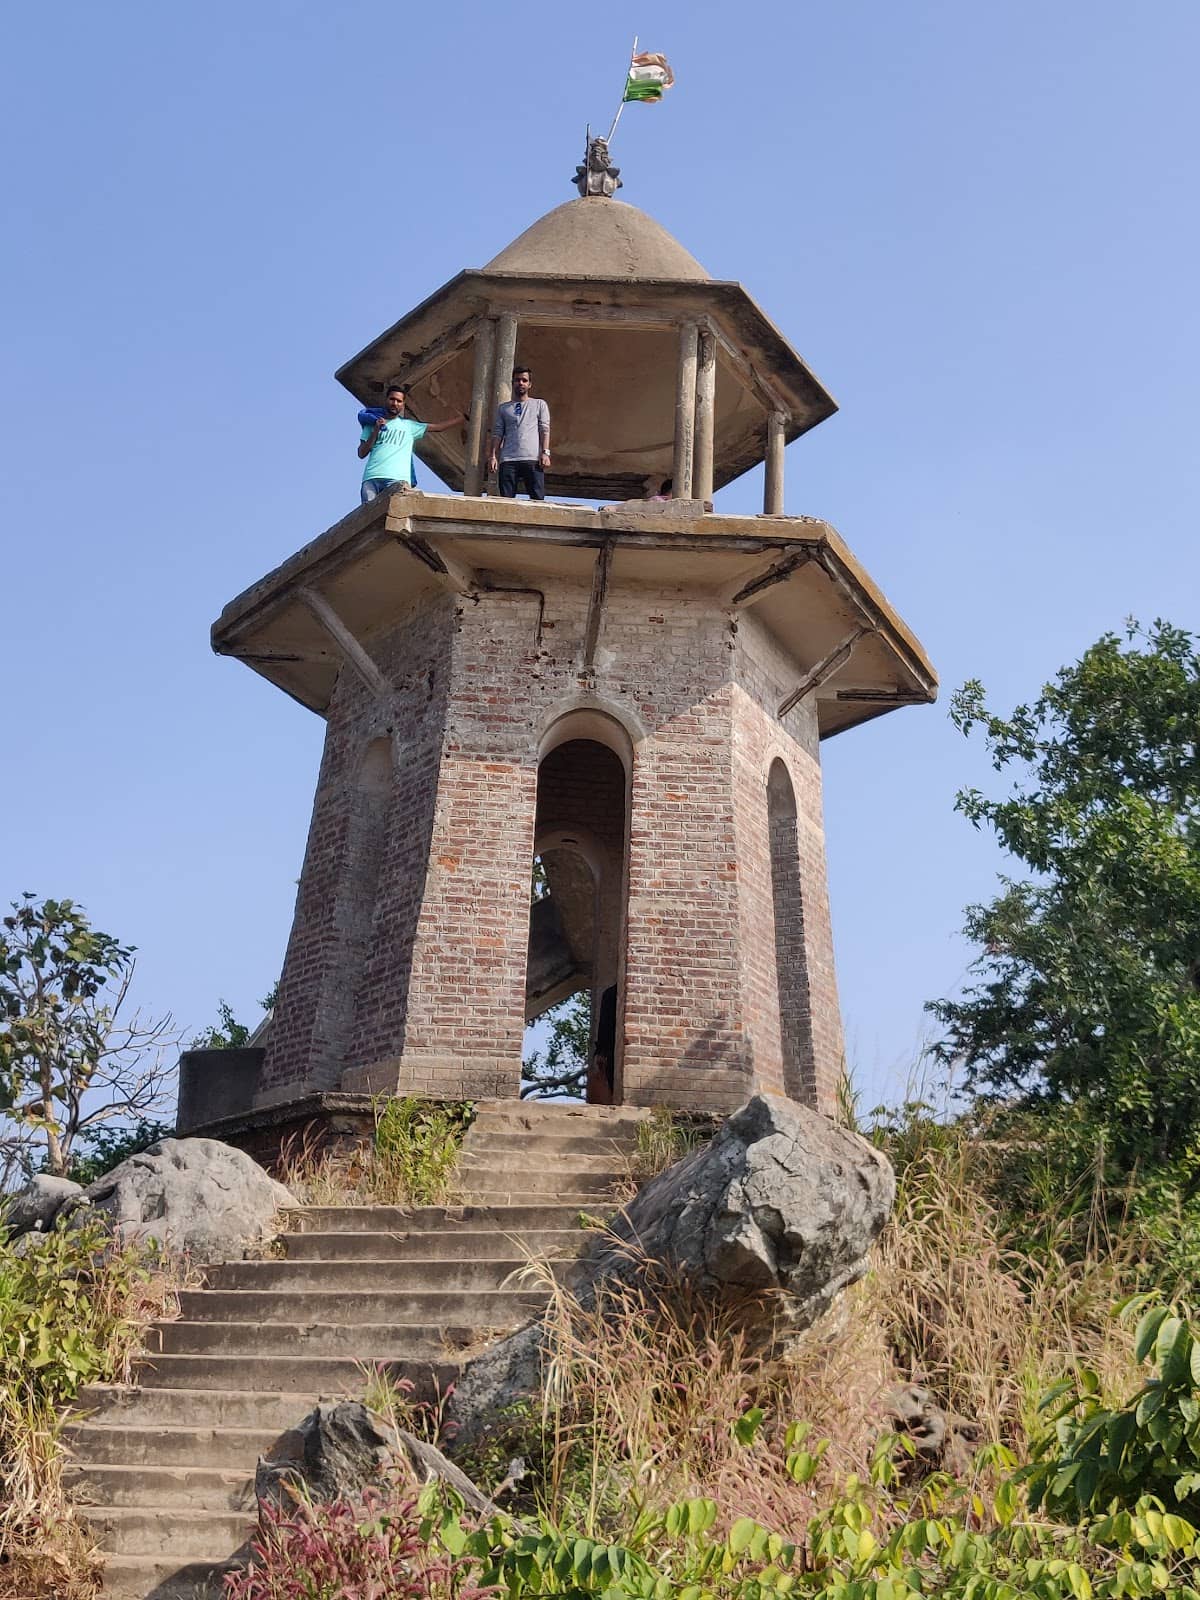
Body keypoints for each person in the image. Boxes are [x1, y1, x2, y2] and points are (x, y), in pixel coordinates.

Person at [358, 385, 464, 504]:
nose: (395, 403)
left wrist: (463, 418)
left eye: (399, 401)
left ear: (403, 404)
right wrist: (376, 430)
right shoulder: (371, 423)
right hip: (372, 478)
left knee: (396, 513)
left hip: (397, 479)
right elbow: (361, 453)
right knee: (370, 516)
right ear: (386, 400)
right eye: (392, 399)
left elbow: (438, 427)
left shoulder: (409, 426)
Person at [487, 367, 550, 500]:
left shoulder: (539, 404)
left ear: (529, 384)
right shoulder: (503, 408)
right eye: (517, 380)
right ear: (513, 383)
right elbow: (498, 432)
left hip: (532, 459)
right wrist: (493, 456)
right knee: (506, 501)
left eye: (524, 380)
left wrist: (545, 453)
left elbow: (544, 429)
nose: (520, 383)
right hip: (509, 460)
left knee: (537, 500)